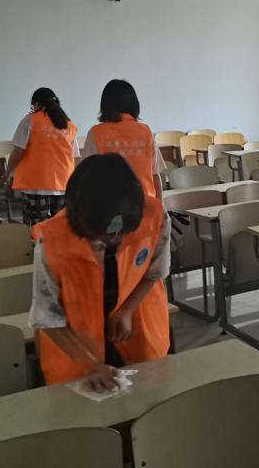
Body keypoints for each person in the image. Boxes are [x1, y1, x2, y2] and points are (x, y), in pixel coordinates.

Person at [28, 153, 171, 390]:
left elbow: (155, 272)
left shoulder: (155, 216)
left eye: (121, 232)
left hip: (139, 336)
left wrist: (127, 310)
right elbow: (46, 316)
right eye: (102, 235)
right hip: (76, 349)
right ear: (79, 218)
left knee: (147, 397)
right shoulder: (51, 240)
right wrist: (89, 364)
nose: (114, 240)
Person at [4, 88, 79, 225]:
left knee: (36, 226)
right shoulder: (69, 125)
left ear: (37, 103)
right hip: (64, 184)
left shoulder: (30, 120)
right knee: (60, 227)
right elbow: (75, 158)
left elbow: (17, 152)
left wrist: (8, 174)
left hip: (36, 184)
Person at [82, 79, 165, 198]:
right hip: (146, 205)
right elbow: (155, 175)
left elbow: (87, 178)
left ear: (105, 105)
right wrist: (159, 206)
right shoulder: (145, 131)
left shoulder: (96, 133)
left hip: (110, 205)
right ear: (134, 104)